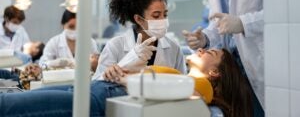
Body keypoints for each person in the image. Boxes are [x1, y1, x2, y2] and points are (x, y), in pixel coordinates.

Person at [172, 0, 264, 116]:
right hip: (235, 70)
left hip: (262, 63)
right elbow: (220, 22)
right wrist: (204, 38)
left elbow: (286, 12)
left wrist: (243, 23)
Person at [0, 47, 253, 117]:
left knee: (8, 105)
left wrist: (123, 77)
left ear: (215, 73)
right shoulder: (184, 80)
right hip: (98, 90)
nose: (201, 51)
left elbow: (153, 87)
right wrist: (120, 73)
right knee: (12, 99)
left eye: (210, 54)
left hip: (98, 101)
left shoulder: (199, 90)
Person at [93, 0, 186, 80]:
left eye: (165, 15)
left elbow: (183, 81)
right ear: (139, 19)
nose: (162, 20)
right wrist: (108, 74)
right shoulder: (115, 46)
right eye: (156, 15)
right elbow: (96, 85)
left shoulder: (174, 49)